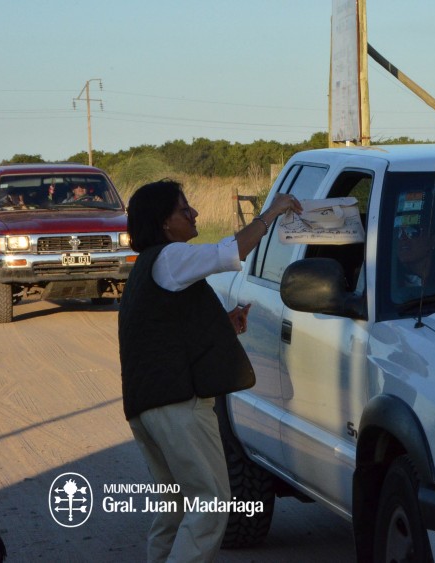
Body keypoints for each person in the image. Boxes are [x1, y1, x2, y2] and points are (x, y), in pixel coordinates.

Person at [118, 179, 301, 562]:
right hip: (177, 405)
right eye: (185, 209)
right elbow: (228, 252)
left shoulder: (147, 269)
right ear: (165, 223)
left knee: (175, 508)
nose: (194, 214)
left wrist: (226, 324)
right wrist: (271, 213)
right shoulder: (169, 257)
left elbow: (167, 330)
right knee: (212, 504)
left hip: (148, 407)